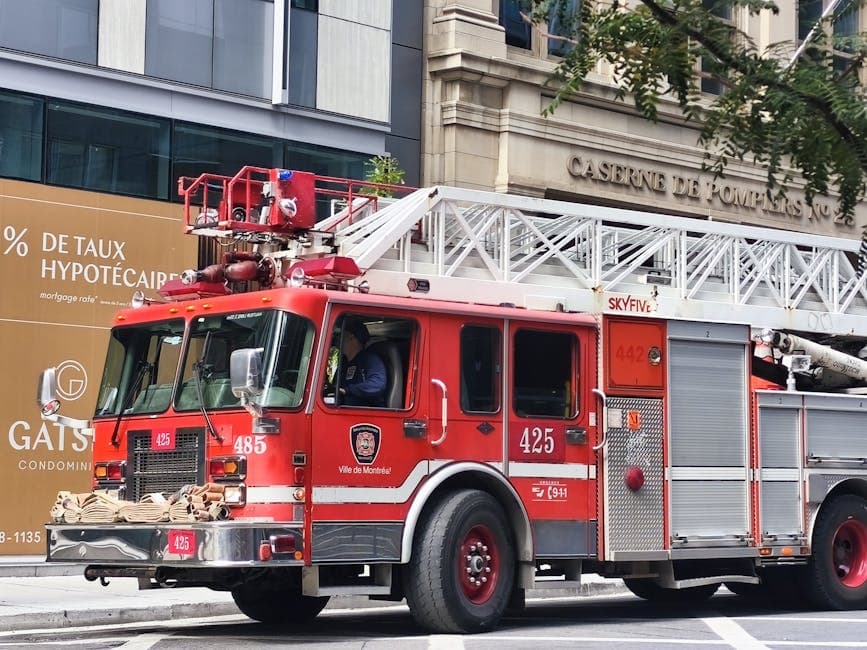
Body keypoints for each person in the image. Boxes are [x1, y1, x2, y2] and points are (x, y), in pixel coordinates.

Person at [337, 319, 387, 407]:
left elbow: (377, 385)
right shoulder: (344, 363)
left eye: (341, 335)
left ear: (351, 337)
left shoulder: (370, 359)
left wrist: (347, 391)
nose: (338, 339)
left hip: (366, 414)